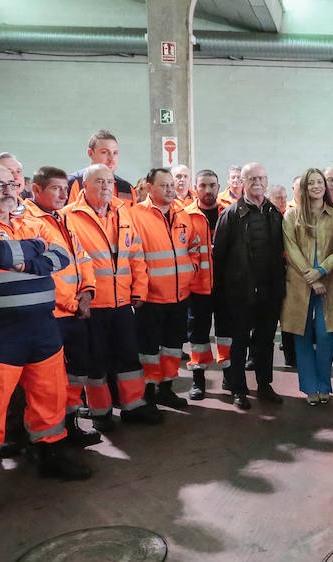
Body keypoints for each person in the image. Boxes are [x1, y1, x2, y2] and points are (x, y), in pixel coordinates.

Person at [0, 162, 92, 515]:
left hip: (41, 329)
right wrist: (31, 255)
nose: (9, 191)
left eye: (12, 184)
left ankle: (49, 454)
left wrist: (23, 259)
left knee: (50, 396)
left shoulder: (30, 222)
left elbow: (60, 256)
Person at [63, 164, 163, 428]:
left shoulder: (123, 211)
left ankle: (132, 406)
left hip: (122, 304)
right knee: (96, 362)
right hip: (92, 305)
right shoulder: (69, 217)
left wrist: (139, 290)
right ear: (85, 186)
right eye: (99, 182)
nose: (106, 186)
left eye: (109, 182)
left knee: (129, 357)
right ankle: (100, 413)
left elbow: (136, 255)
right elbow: (71, 263)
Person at [23, 166, 102, 447]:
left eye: (65, 189)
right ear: (36, 189)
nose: (62, 194)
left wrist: (87, 293)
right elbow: (39, 272)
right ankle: (48, 439)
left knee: (77, 371)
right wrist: (72, 302)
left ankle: (70, 425)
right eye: (55, 188)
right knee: (48, 381)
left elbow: (83, 258)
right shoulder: (27, 221)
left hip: (75, 311)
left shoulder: (64, 219)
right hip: (51, 314)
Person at [213, 162, 286, 407]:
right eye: (252, 178)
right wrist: (222, 294)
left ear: (267, 182)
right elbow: (218, 258)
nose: (257, 182)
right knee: (239, 342)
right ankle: (238, 390)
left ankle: (264, 385)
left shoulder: (274, 214)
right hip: (239, 293)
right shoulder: (230, 215)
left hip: (269, 291)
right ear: (242, 183)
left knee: (265, 341)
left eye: (262, 178)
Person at [130, 167, 203, 410]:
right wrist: (141, 288)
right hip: (150, 297)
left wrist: (190, 271)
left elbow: (194, 246)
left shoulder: (182, 213)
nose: (171, 189)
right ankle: (149, 390)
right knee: (149, 348)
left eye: (172, 184)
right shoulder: (135, 215)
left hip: (179, 295)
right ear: (149, 188)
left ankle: (167, 388)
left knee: (173, 346)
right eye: (164, 185)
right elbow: (134, 257)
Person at [283, 169, 333, 404]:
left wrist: (321, 271)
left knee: (326, 333)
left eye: (320, 182)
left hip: (328, 282)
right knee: (302, 333)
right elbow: (291, 249)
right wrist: (312, 277)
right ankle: (310, 387)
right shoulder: (292, 216)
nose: (317, 186)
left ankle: (324, 385)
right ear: (304, 187)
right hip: (300, 283)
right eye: (312, 183)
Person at [182, 169, 225, 399]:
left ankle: (231, 378)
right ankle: (198, 380)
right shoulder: (185, 216)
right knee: (197, 335)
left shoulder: (230, 214)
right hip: (197, 287)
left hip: (224, 287)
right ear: (195, 188)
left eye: (212, 185)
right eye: (203, 186)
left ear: (219, 187)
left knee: (227, 333)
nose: (208, 190)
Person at [67, 129, 134, 203]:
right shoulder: (73, 183)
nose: (111, 159)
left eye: (115, 153)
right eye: (104, 152)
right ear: (90, 153)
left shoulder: (127, 189)